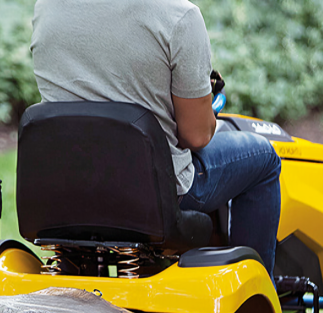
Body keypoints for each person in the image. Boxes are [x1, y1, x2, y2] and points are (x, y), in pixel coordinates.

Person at [30, 0, 281, 277]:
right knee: (264, 158)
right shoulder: (178, 15)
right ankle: (255, 300)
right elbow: (196, 136)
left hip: (66, 190)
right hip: (155, 196)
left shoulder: (47, 7)